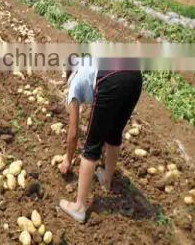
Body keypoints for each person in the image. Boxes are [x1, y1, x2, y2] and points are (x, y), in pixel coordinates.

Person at [58, 61, 143, 223]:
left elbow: (74, 133)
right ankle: (106, 178)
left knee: (92, 146)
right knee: (113, 133)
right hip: (134, 76)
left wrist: (68, 159)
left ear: (68, 75)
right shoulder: (88, 66)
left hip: (111, 77)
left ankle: (79, 208)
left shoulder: (74, 84)